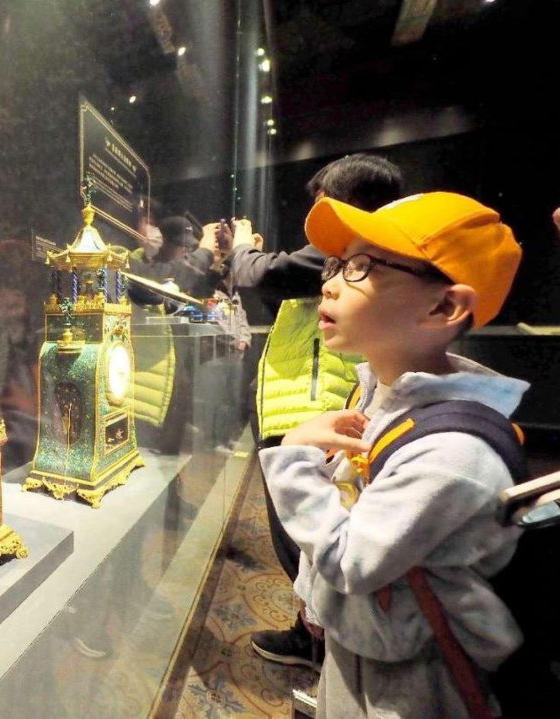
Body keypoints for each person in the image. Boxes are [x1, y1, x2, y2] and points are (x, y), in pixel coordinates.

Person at [261, 192, 524, 717]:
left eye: (362, 267)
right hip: (363, 648)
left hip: (418, 685)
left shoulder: (453, 454)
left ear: (443, 307)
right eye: (337, 264)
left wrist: (294, 458)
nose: (329, 282)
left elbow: (350, 560)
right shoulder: (377, 394)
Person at [209, 154, 404, 670]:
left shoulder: (353, 243)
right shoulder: (352, 252)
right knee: (307, 536)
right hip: (312, 404)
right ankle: (315, 634)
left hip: (315, 409)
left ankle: (327, 647)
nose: (335, 280)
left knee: (309, 537)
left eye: (320, 210)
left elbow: (262, 273)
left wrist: (246, 248)